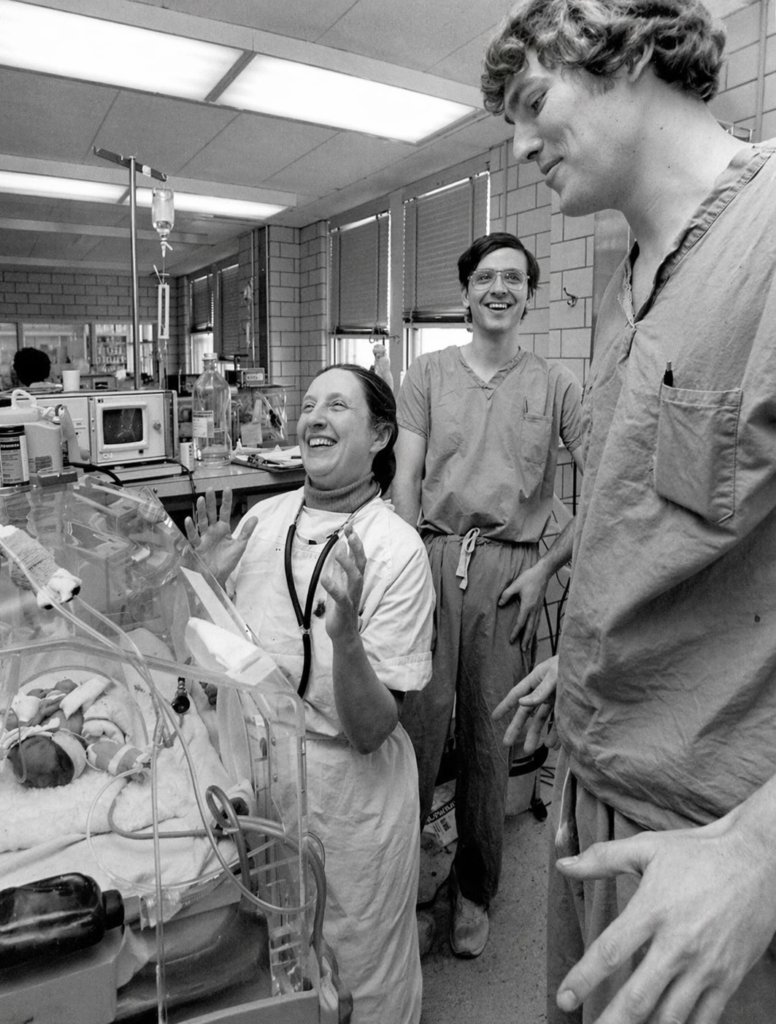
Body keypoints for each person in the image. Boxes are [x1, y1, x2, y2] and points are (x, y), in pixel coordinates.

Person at [483, 1, 776, 1022]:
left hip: (717, 853)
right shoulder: (623, 289)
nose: (519, 145)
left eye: (531, 103)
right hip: (593, 791)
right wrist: (593, 650)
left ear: (631, 49)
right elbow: (664, 523)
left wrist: (759, 852)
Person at [185, 364, 434, 1024]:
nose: (313, 417)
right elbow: (218, 661)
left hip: (349, 793)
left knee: (356, 962)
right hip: (264, 779)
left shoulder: (395, 550)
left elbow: (372, 728)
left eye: (336, 407)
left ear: (380, 434)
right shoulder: (264, 519)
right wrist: (202, 583)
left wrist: (346, 639)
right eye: (307, 405)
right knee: (278, 950)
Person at [393, 231, 583, 958]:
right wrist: (406, 562)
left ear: (529, 296)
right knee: (415, 729)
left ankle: (474, 891)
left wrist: (545, 568)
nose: (498, 288)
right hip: (431, 558)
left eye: (513, 278)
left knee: (485, 738)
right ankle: (402, 888)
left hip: (512, 573)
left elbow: (603, 483)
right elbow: (407, 478)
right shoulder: (428, 373)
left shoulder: (556, 385)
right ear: (466, 292)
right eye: (484, 277)